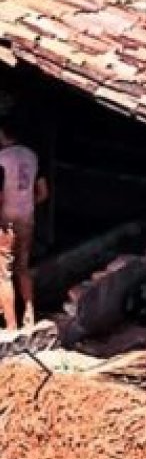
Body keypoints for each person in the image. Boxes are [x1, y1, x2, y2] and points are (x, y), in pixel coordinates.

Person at [0, 121, 48, 330]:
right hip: (27, 219)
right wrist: (26, 204)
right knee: (23, 268)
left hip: (5, 221)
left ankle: (11, 325)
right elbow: (43, 193)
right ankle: (29, 315)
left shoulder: (2, 159)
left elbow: (0, 196)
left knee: (3, 273)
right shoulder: (33, 157)